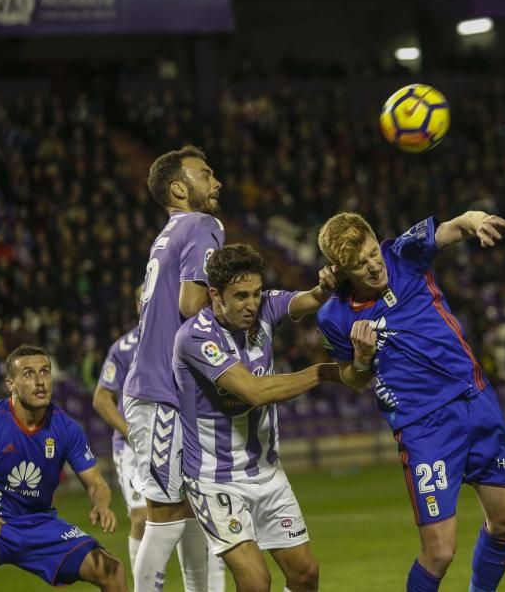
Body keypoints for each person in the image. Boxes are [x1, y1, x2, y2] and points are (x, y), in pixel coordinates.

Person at [316, 211, 505, 592]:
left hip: (474, 398)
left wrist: (474, 221)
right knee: (440, 552)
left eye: (371, 253)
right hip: (423, 427)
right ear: (340, 269)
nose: (373, 266)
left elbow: (453, 227)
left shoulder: (403, 254)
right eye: (359, 265)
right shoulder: (334, 316)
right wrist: (362, 359)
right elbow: (352, 379)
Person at [173, 243, 341, 592]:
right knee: (255, 582)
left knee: (305, 574)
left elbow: (308, 299)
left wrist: (326, 287)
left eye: (256, 293)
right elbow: (254, 391)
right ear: (215, 296)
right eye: (241, 296)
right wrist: (323, 372)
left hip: (266, 472)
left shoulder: (265, 307)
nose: (252, 304)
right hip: (214, 479)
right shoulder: (195, 338)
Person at [0, 345, 125, 592]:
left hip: (39, 524)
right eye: (29, 374)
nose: (40, 382)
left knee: (111, 571)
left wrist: (101, 503)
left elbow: (96, 482)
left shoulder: (67, 428)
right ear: (11, 383)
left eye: (45, 372)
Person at [123, 145, 226, 591]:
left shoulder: (167, 234)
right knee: (163, 515)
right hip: (162, 389)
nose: (216, 181)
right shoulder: (204, 224)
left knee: (188, 511)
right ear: (180, 188)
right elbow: (191, 303)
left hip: (162, 387)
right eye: (206, 174)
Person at [92, 286, 148, 576]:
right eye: (142, 299)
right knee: (140, 517)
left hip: (174, 442)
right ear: (137, 306)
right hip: (133, 448)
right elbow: (101, 398)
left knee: (188, 518)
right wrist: (130, 431)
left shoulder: (179, 338)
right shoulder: (124, 348)